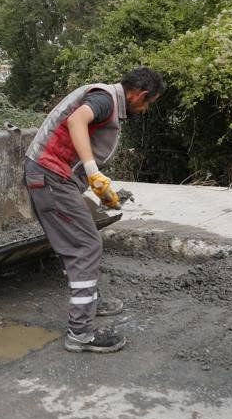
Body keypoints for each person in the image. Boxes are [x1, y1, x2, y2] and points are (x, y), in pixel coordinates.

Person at [25, 67, 166, 353]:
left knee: (77, 243)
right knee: (86, 246)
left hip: (50, 175)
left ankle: (90, 303)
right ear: (140, 95)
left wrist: (99, 188)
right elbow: (77, 120)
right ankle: (80, 333)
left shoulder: (106, 99)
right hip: (51, 176)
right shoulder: (105, 100)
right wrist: (93, 172)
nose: (145, 110)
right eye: (148, 103)